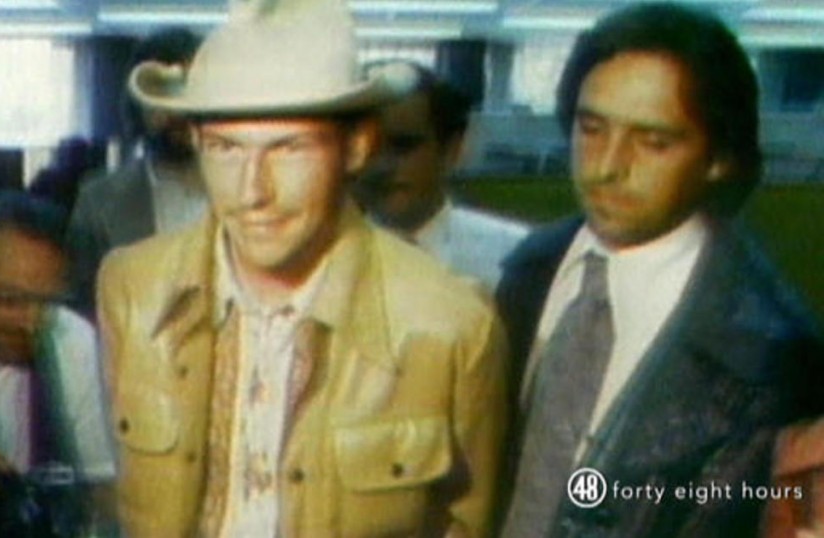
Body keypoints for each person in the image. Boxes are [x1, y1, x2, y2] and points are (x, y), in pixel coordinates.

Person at [97, 0, 509, 536]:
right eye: (225, 148)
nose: (252, 192)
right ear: (195, 143)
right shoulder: (131, 288)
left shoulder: (453, 325)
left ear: (356, 147)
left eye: (289, 148)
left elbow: (469, 523)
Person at [496, 4, 823, 537]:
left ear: (718, 158)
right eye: (591, 128)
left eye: (653, 142)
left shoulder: (773, 355)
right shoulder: (525, 270)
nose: (607, 167)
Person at [0, 191, 116, 530]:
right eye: (8, 300)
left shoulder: (72, 339)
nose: (31, 322)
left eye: (47, 302)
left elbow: (103, 488)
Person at [66, 27, 204, 318]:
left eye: (187, 93)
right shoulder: (99, 201)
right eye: (159, 94)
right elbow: (83, 307)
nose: (176, 112)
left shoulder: (246, 188)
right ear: (137, 104)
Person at [355, 61, 527, 289]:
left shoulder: (513, 256)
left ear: (451, 149)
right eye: (368, 148)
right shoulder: (323, 258)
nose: (382, 165)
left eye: (403, 146)